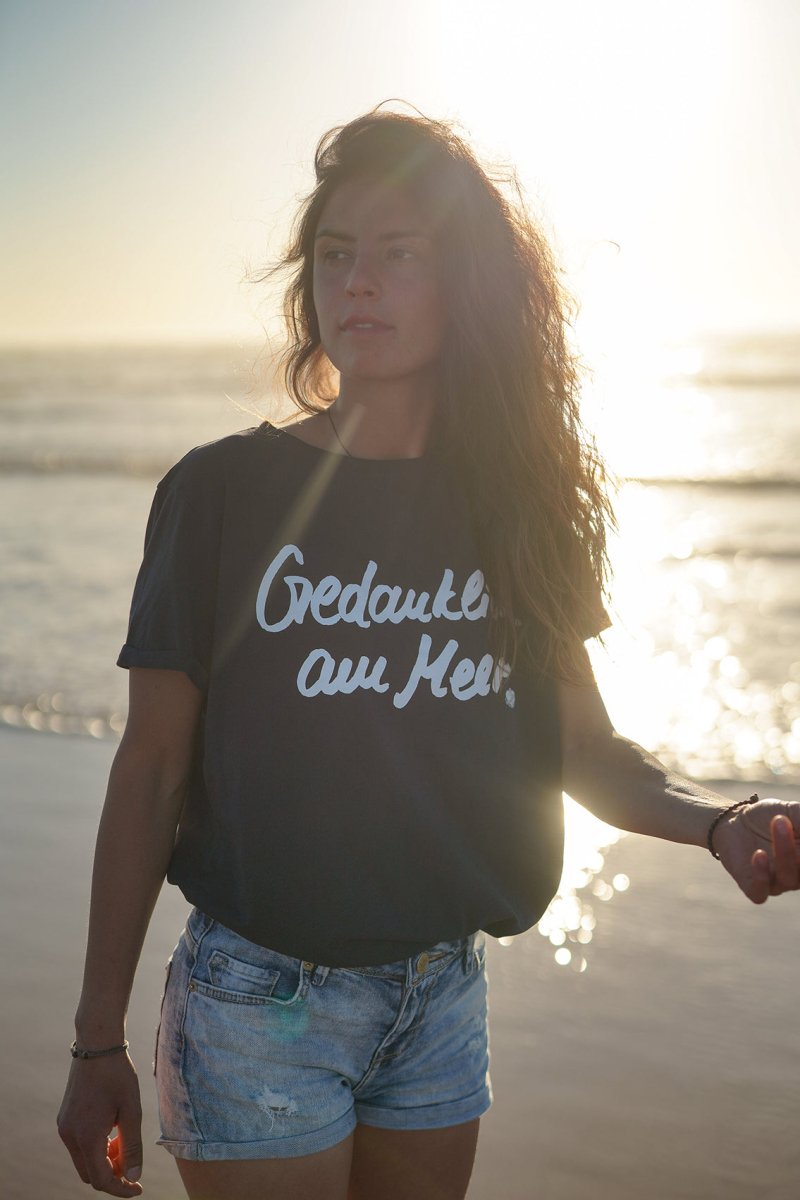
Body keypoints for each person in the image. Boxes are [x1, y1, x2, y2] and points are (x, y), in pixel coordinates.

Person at [57, 104, 800, 1200]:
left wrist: (717, 823)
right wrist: (93, 1041)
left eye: (398, 256)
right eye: (335, 255)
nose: (357, 282)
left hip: (442, 999)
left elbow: (583, 749)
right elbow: (153, 770)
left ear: (464, 289)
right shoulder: (218, 494)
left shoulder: (520, 510)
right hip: (258, 1000)